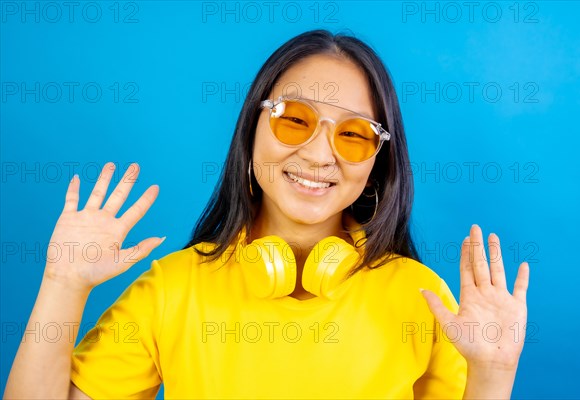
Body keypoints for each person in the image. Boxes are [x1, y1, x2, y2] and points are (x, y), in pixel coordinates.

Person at [4, 30, 529, 399]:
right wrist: (64, 282)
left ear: (377, 163)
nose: (320, 155)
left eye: (352, 134)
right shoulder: (173, 288)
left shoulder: (421, 297)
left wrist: (493, 375)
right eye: (295, 120)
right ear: (251, 130)